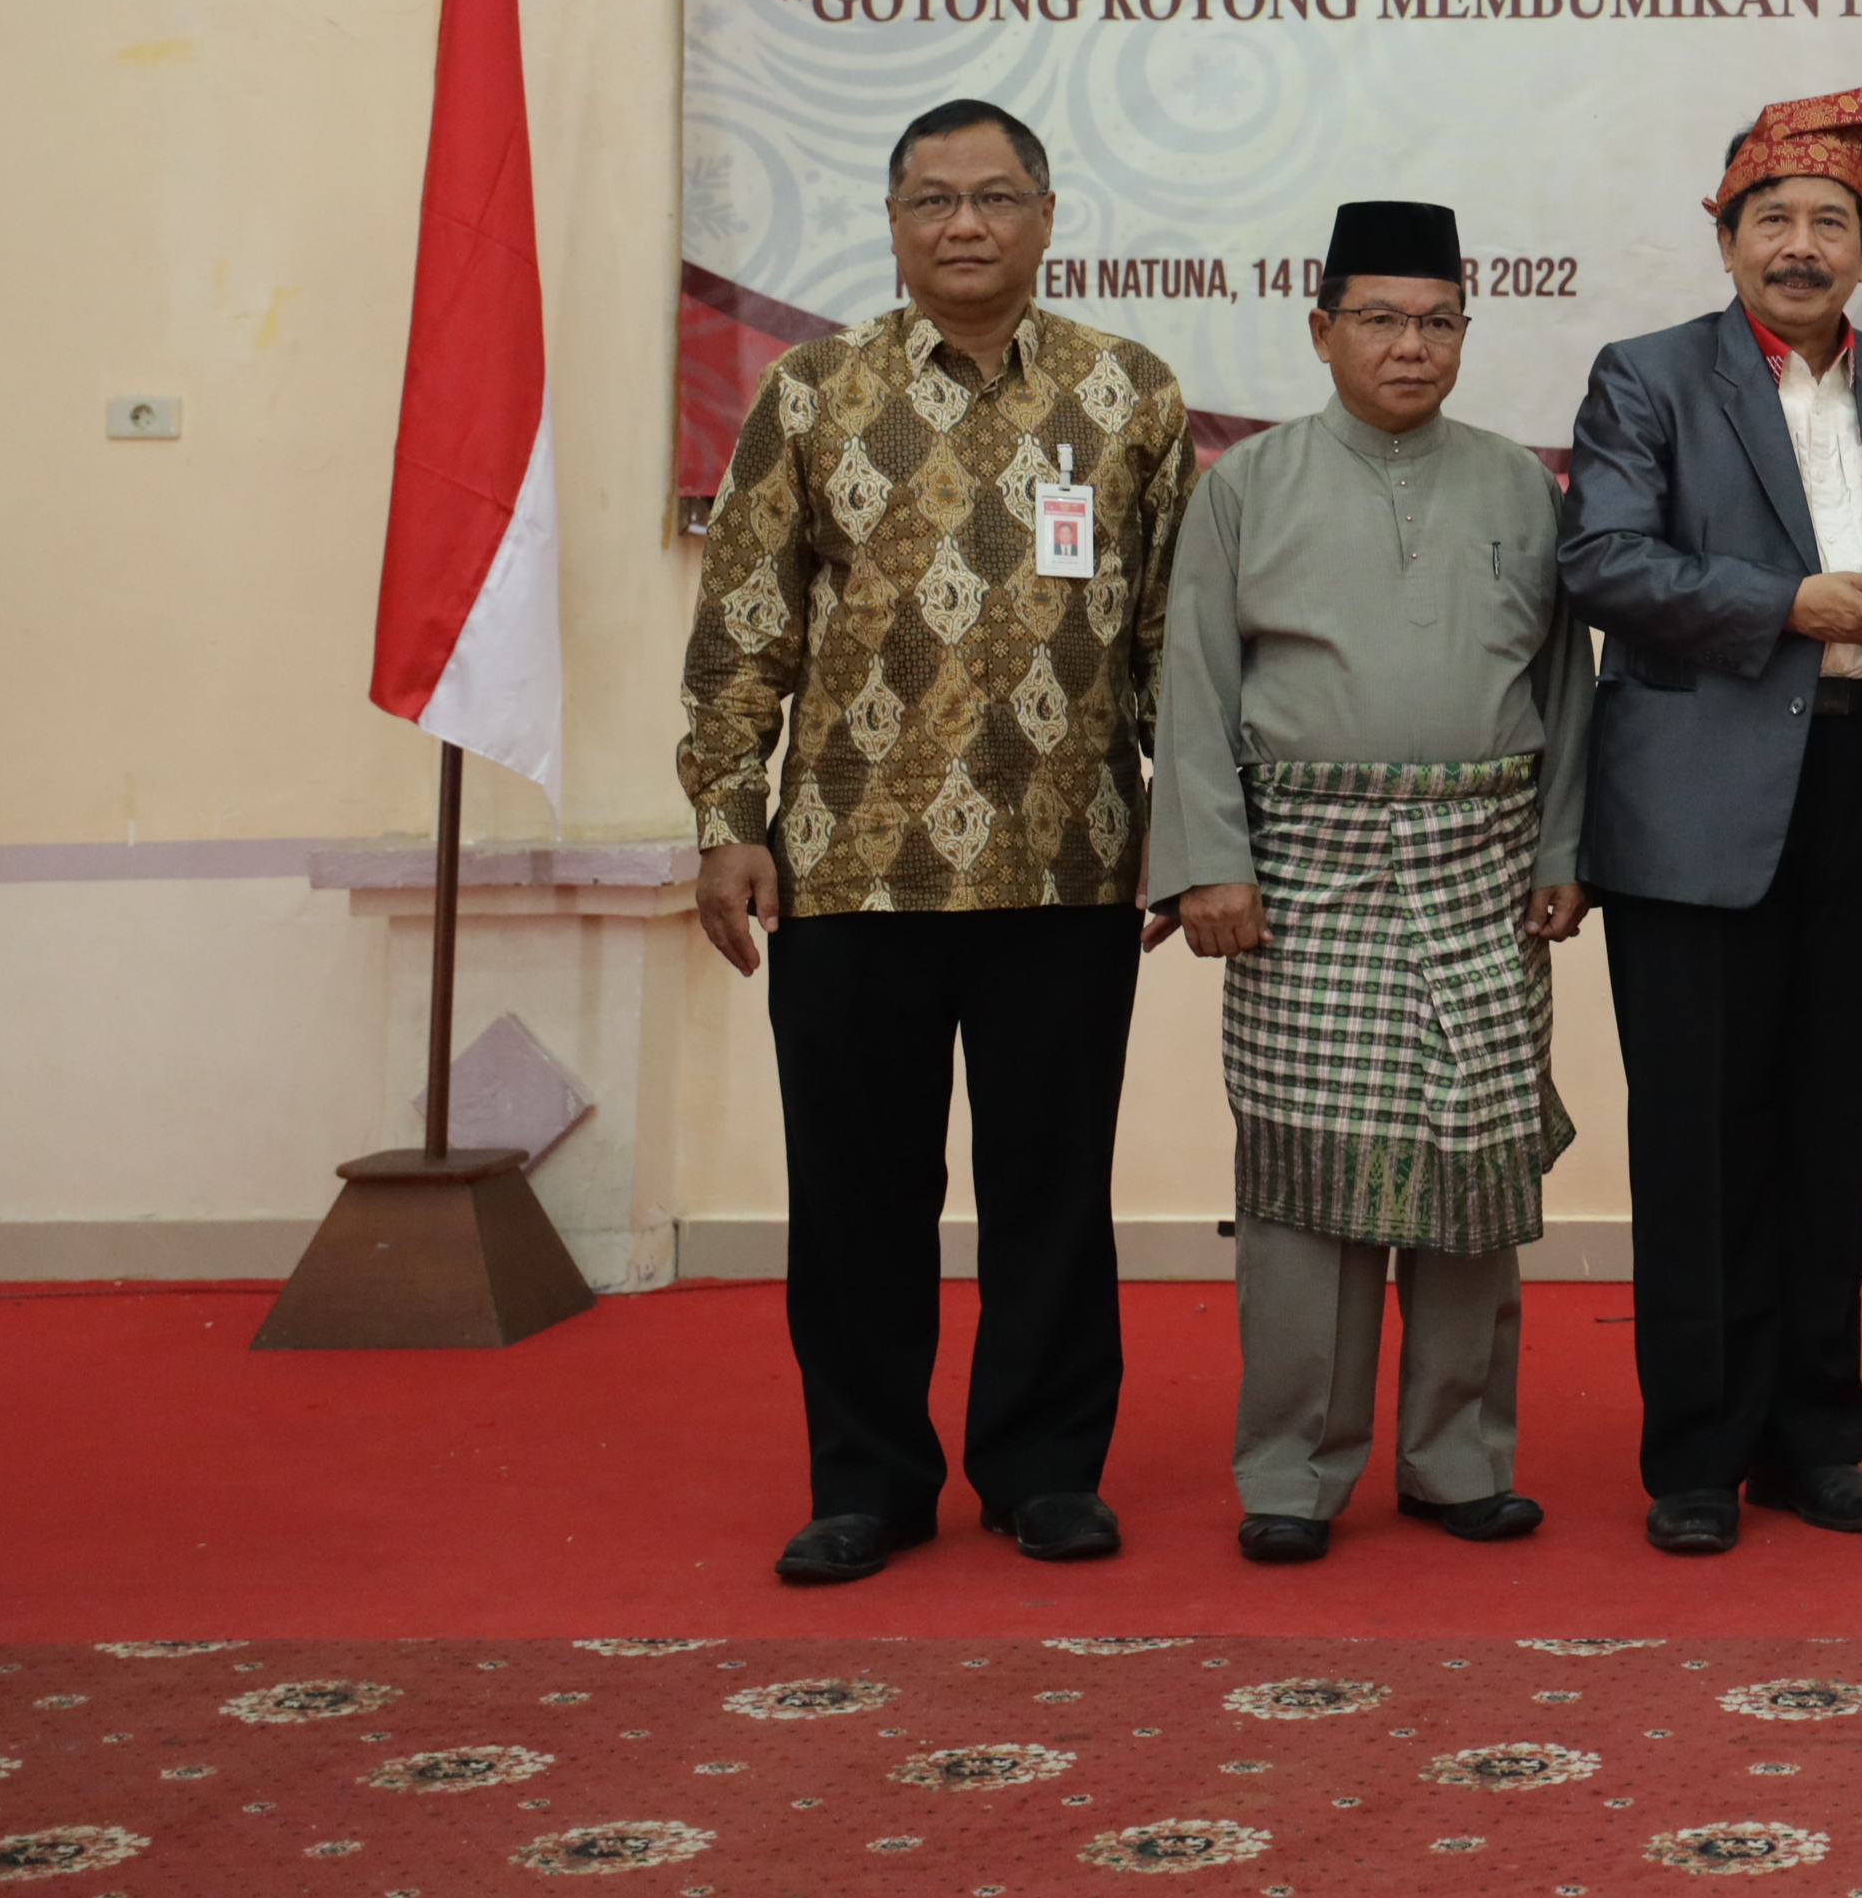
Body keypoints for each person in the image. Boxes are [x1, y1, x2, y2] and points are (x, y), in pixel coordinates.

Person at [678, 97, 1189, 1585]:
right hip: (848, 865)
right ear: (895, 222)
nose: (965, 222)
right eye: (933, 199)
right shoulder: (809, 393)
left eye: (995, 195)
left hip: (1068, 861)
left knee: (1053, 1190)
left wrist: (1190, 823)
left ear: (1047, 215)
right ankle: (870, 1482)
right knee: (856, 1200)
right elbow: (743, 632)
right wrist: (728, 820)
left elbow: (1172, 643)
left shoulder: (1130, 393)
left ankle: (1044, 1471)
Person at [1559, 54, 1862, 1557]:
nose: (1800, 247)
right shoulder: (1648, 377)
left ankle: (1817, 1442)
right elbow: (1603, 562)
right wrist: (1790, 604)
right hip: (1693, 808)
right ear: (1726, 233)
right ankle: (1695, 1454)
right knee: (1697, 1138)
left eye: (1829, 224)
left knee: (1829, 1126)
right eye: (1773, 220)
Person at [1144, 202, 1591, 1568]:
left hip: (1481, 866)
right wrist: (1211, 863)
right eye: (1383, 320)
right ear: (1322, 329)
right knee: (1305, 1182)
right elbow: (1196, 681)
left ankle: (1460, 1461)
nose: (1412, 346)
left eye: (1438, 321)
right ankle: (1294, 1470)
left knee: (1472, 1171)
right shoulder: (1247, 485)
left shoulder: (1522, 486)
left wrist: (1562, 849)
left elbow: (1566, 685)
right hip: (1305, 875)